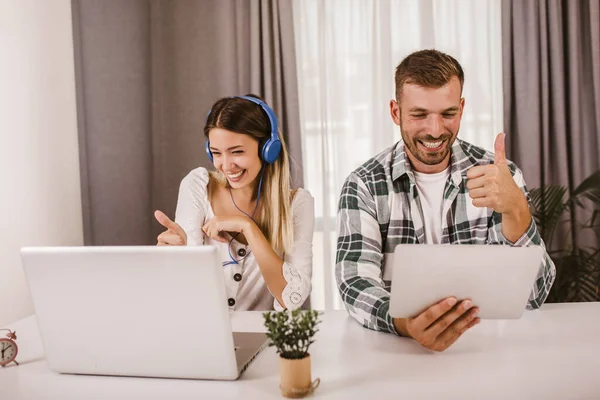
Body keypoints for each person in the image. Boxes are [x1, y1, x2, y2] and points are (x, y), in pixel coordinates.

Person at [335, 50, 556, 351]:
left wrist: (517, 209)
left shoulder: (499, 177)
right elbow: (354, 282)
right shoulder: (364, 185)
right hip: (397, 352)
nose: (435, 130)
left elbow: (533, 295)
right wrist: (404, 323)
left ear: (462, 109)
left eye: (448, 114)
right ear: (396, 112)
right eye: (419, 114)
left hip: (486, 350)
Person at [154, 94, 314, 311]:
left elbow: (293, 299)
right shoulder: (199, 185)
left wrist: (248, 227)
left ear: (268, 149)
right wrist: (176, 258)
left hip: (265, 340)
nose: (226, 165)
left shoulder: (297, 204)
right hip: (204, 333)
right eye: (216, 153)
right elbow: (186, 292)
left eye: (237, 152)